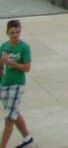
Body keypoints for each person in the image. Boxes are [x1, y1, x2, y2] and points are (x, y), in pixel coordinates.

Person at [0, 19, 32, 148]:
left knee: (9, 118)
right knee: (14, 113)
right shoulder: (4, 46)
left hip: (17, 85)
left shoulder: (24, 47)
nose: (15, 35)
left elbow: (27, 68)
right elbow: (0, 66)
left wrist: (12, 63)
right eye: (12, 32)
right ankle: (28, 139)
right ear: (7, 32)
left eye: (17, 32)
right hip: (4, 84)